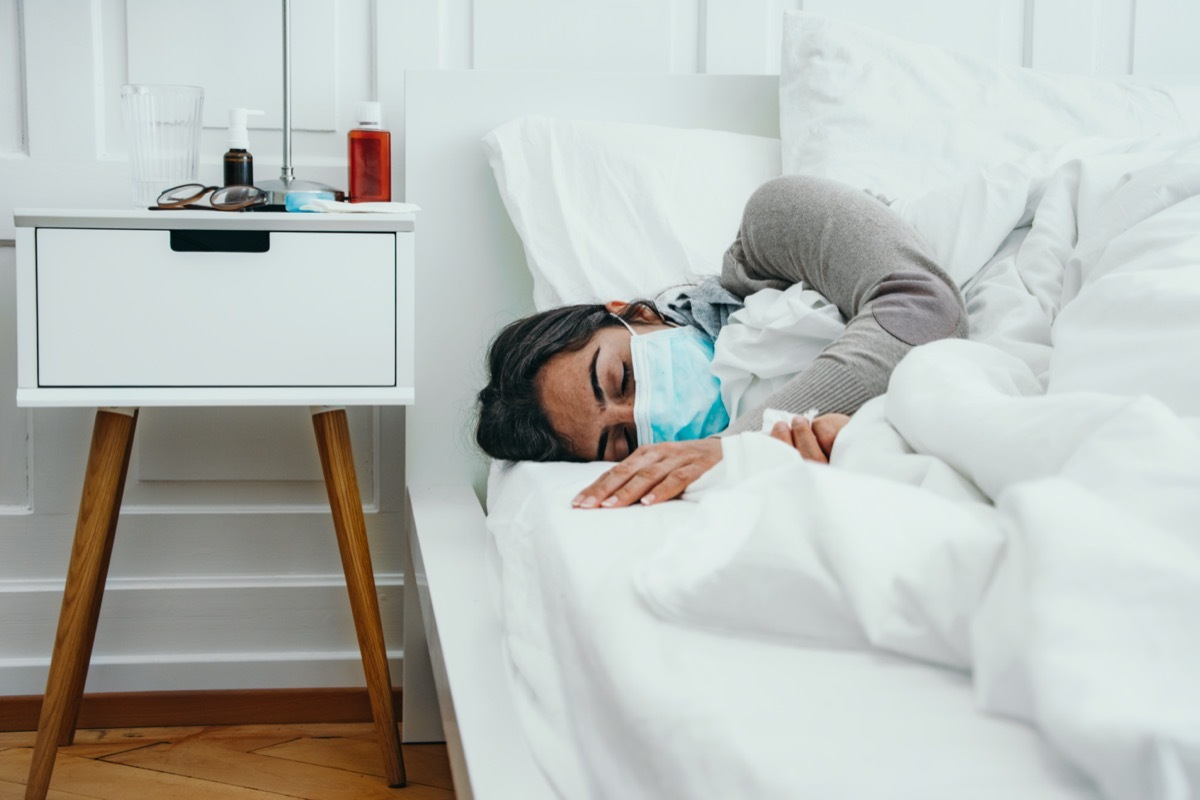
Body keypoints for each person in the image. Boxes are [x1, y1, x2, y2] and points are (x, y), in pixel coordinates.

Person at [475, 175, 968, 508]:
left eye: (621, 378)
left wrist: (733, 447)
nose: (645, 412)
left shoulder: (772, 230)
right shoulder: (731, 488)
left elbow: (926, 308)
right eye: (622, 441)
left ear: (635, 313)